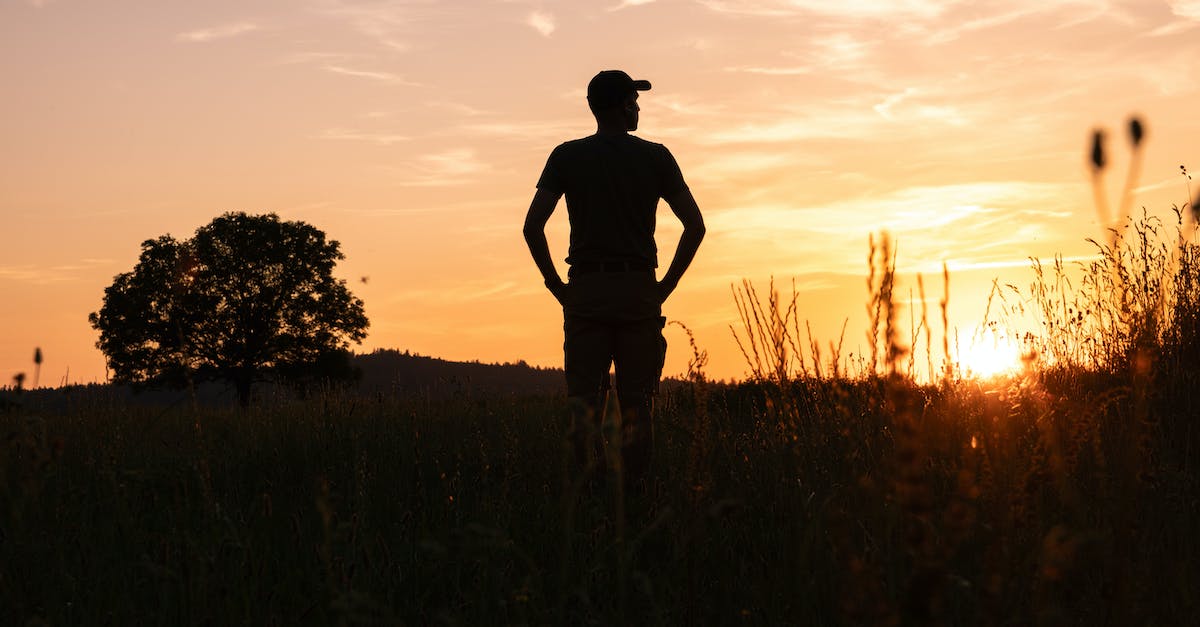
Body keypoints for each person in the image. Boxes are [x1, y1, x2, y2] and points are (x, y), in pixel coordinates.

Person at [522, 70, 706, 491]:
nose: (639, 107)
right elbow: (694, 226)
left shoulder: (566, 156)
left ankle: (584, 499)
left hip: (584, 291)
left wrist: (557, 287)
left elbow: (533, 227)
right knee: (638, 406)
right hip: (639, 292)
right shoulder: (657, 157)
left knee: (583, 406)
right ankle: (635, 498)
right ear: (624, 106)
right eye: (635, 101)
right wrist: (665, 287)